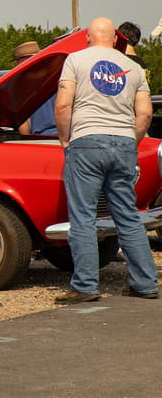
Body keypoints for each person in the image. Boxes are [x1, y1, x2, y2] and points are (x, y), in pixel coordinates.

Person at [53, 17, 159, 304]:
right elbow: (145, 114)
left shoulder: (75, 60)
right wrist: (130, 141)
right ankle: (145, 283)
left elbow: (63, 104)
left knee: (84, 217)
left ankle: (86, 286)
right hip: (124, 143)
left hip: (86, 142)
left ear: (87, 37)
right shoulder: (134, 69)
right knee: (128, 216)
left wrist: (66, 139)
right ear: (115, 39)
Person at [14, 41, 57, 135]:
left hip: (41, 140)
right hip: (68, 136)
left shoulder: (20, 88)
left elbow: (24, 126)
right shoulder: (58, 76)